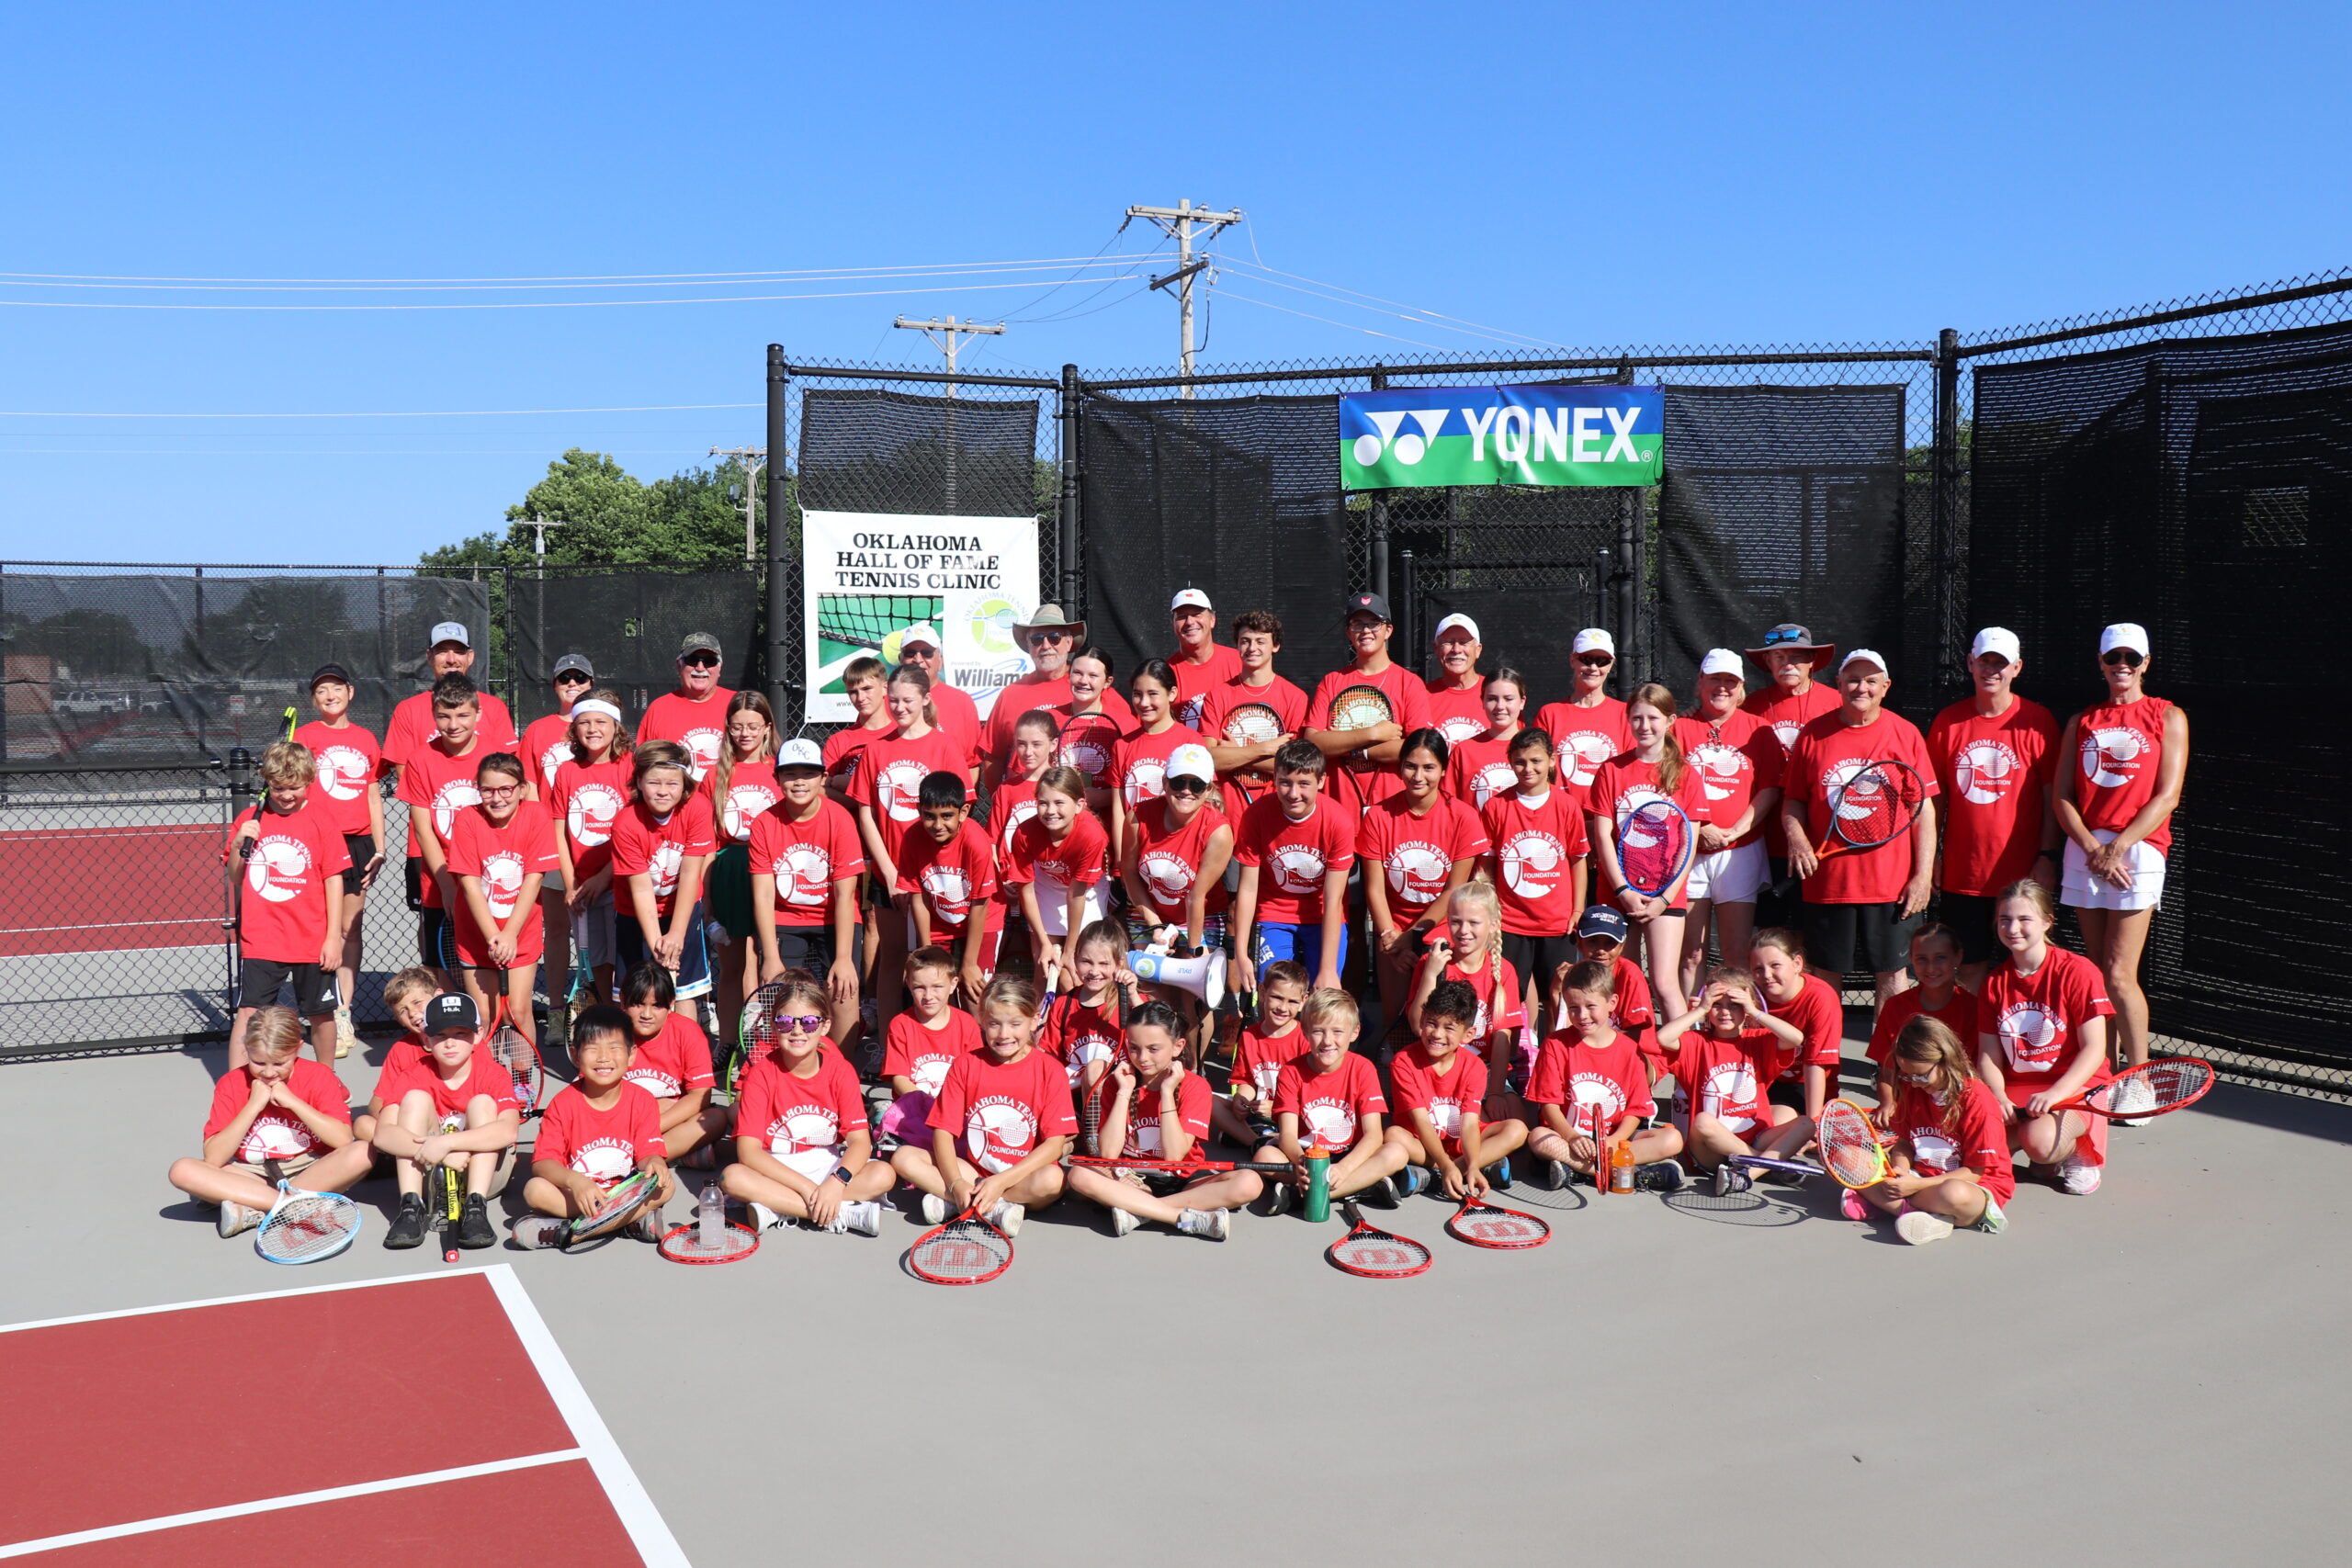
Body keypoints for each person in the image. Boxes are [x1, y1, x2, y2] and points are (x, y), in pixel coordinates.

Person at [2052, 621, 2188, 1081]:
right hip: (2086, 850)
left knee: (2118, 972)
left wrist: (2119, 847)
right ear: (2101, 663)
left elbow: (2167, 795)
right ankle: (2102, 1075)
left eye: (2132, 658)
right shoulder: (2081, 721)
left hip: (2139, 849)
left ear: (2146, 663)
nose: (2122, 666)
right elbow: (2062, 796)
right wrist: (2093, 848)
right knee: (2095, 976)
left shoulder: (2167, 715)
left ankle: (2140, 1080)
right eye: (2114, 658)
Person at [1781, 649, 1939, 1009]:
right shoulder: (1813, 734)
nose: (1861, 688)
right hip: (1827, 882)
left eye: (1871, 681)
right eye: (1853, 679)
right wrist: (1798, 840)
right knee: (1824, 976)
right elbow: (1792, 801)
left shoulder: (1906, 733)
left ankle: (1886, 1062)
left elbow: (1922, 809)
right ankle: (1825, 1061)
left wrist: (1923, 874)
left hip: (1891, 885)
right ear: (1838, 684)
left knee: (1893, 975)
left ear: (1885, 687)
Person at [1927, 627, 2063, 989]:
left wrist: (2048, 856)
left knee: (2026, 966)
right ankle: (1974, 1046)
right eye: (1984, 660)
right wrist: (1931, 858)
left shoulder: (2039, 722)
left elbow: (2052, 799)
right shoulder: (1947, 723)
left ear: (2016, 668)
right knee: (1969, 969)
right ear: (1970, 663)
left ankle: (2020, 1046)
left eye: (2000, 663)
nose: (1991, 670)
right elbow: (1933, 801)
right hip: (1962, 876)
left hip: (2022, 878)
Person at [1066, 998, 1261, 1240]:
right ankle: (1179, 1217)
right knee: (1078, 1175)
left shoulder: (1195, 1086)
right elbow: (1108, 1154)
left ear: (1178, 1047)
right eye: (1134, 1047)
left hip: (1182, 1179)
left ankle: (1140, 1211)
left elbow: (1174, 1156)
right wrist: (1124, 1092)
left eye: (1153, 1048)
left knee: (1250, 1182)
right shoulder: (1118, 1083)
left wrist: (1168, 1092)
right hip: (1130, 1178)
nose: (1142, 1057)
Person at [169, 1007, 372, 1236]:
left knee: (363, 1151)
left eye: (278, 1064)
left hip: (310, 1168)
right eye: (258, 1063)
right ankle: (290, 1205)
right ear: (246, 1049)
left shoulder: (319, 1075)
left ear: (297, 1049)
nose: (267, 1073)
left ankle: (254, 1208)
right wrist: (253, 1105)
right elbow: (214, 1158)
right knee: (182, 1170)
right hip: (252, 1174)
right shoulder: (231, 1083)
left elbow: (343, 1139)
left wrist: (293, 1102)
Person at [893, 974, 1071, 1234]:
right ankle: (987, 1206)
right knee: (904, 1157)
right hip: (972, 1172)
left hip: (1020, 1176)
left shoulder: (1050, 1070)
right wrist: (955, 1183)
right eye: (994, 1024)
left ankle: (964, 1205)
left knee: (1054, 1181)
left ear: (1034, 1021)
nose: (1004, 1034)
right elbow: (943, 1133)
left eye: (1015, 1024)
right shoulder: (966, 1064)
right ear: (982, 1022)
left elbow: (1055, 1144)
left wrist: (1001, 1182)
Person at [725, 975, 895, 1235]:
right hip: (776, 1167)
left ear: (825, 1026)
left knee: (884, 1174)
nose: (797, 1030)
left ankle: (779, 1207)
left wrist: (836, 1183)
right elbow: (749, 1153)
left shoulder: (841, 1071)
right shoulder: (761, 1074)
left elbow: (860, 1142)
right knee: (732, 1177)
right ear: (773, 1025)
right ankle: (844, 1213)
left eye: (809, 1022)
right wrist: (810, 1190)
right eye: (784, 1021)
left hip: (826, 1165)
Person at [1976, 879, 2115, 1195]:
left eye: (2025, 919)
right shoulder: (1993, 982)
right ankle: (2045, 1157)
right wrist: (1998, 1096)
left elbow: (2095, 1049)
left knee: (2040, 1144)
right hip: (2018, 1089)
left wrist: (2055, 1094)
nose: (2013, 928)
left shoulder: (2078, 971)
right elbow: (1988, 1054)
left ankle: (2082, 1151)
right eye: (2005, 919)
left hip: (2077, 1085)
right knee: (1975, 1141)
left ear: (2047, 921)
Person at [383, 625, 516, 943]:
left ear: (470, 657)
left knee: (491, 922)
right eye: (442, 650)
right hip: (430, 845)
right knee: (436, 926)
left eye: (458, 651)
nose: (451, 658)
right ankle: (438, 989)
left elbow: (509, 773)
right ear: (429, 657)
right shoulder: (408, 710)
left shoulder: (493, 708)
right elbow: (407, 773)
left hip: (490, 844)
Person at [221, 739, 350, 1067]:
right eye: (278, 788)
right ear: (267, 782)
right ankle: (236, 1085)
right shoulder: (251, 819)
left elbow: (334, 879)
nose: (287, 795)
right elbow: (236, 876)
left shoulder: (322, 820)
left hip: (312, 937)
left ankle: (326, 1078)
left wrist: (333, 937)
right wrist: (238, 842)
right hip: (263, 936)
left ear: (309, 782)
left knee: (320, 1013)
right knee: (250, 1011)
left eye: (294, 787)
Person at [853, 664, 968, 1026]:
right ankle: (889, 1046)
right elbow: (866, 812)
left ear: (925, 699)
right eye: (893, 700)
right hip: (890, 873)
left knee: (934, 963)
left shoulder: (945, 746)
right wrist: (888, 871)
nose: (899, 707)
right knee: (893, 958)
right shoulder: (875, 750)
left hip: (935, 874)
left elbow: (957, 815)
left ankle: (943, 1041)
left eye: (907, 700)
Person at [1589, 682, 1708, 1025]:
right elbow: (1602, 836)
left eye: (1652, 718)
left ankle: (1686, 1070)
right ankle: (1613, 1060)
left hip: (1665, 897)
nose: (1644, 726)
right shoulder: (1611, 771)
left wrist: (1664, 898)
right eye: (1637, 718)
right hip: (1617, 895)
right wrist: (1624, 891)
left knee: (1665, 983)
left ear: (1670, 720)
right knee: (1612, 983)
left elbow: (1689, 844)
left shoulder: (1686, 774)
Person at [1361, 728, 1487, 1043]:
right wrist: (1390, 940)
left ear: (1443, 770)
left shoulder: (1463, 817)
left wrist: (1410, 939)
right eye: (1410, 766)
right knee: (1397, 1027)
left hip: (1443, 929)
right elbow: (1375, 889)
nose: (1418, 776)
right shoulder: (1378, 815)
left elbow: (1453, 892)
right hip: (1391, 930)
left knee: (1437, 1023)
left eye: (1429, 767)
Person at [372, 990, 523, 1250]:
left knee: (482, 1103)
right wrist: (439, 1152)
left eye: (460, 1034)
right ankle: (411, 1206)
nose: (450, 1043)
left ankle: (475, 1208)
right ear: (427, 1040)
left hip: (487, 1176)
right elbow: (383, 1134)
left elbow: (508, 1131)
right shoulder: (413, 1073)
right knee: (415, 1099)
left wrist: (447, 1143)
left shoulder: (493, 1074)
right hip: (433, 1176)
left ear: (477, 1035)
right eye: (440, 1035)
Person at [516, 1002, 674, 1247]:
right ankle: (629, 1224)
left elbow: (647, 1152)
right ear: (576, 1055)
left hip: (624, 1194)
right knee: (534, 1190)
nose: (603, 1058)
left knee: (666, 1186)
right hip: (578, 1195)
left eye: (614, 1048)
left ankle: (569, 1233)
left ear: (631, 1055)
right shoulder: (563, 1104)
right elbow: (543, 1163)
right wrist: (575, 1182)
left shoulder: (642, 1100)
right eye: (592, 1049)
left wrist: (654, 1162)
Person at [1847, 1014, 2014, 1245]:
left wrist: (1915, 1186)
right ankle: (1920, 1215)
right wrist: (1900, 1170)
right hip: (1920, 1178)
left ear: (1946, 1060)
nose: (1914, 1082)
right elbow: (1904, 1143)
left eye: (1921, 1075)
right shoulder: (1911, 1089)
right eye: (1906, 1074)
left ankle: (1890, 1205)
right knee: (1848, 1157)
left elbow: (1975, 1171)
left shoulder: (1979, 1100)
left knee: (1953, 1193)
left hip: (1974, 1186)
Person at [1673, 649, 1783, 996]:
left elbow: (1769, 789)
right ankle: (1689, 1028)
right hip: (1689, 853)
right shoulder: (1678, 728)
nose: (1722, 688)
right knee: (1691, 952)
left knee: (1736, 953)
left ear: (1741, 689)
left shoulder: (1759, 730)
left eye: (1730, 682)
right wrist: (1700, 827)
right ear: (1699, 684)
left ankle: (1736, 1025)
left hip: (1740, 852)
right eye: (1714, 679)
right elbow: (1665, 786)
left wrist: (1735, 830)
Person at [1521, 960, 1686, 1190]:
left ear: (1612, 1003)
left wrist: (1612, 1141)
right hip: (1570, 1138)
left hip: (1615, 1141)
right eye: (1573, 1008)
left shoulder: (1630, 1050)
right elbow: (1549, 1105)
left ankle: (1579, 1171)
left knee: (1673, 1139)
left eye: (1591, 1006)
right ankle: (1627, 1173)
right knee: (1538, 1138)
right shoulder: (1555, 1045)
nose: (1582, 1015)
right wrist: (1572, 1138)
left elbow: (1636, 1110)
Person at [748, 738, 865, 1047]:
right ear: (777, 779)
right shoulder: (764, 823)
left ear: (824, 778)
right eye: (790, 774)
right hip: (785, 917)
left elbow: (844, 895)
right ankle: (785, 1069)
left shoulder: (839, 819)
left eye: (809, 773)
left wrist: (843, 958)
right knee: (782, 993)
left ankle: (842, 1072)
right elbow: (762, 895)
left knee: (844, 987)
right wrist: (770, 956)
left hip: (832, 917)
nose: (799, 781)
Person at [293, 662, 384, 1059]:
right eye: (321, 692)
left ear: (351, 692)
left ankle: (342, 1011)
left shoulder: (366, 739)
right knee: (317, 927)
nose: (329, 696)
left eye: (336, 689)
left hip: (359, 843)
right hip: (317, 842)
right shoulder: (305, 736)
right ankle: (320, 1008)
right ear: (314, 700)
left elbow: (372, 796)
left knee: (349, 927)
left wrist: (379, 848)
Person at [1481, 727, 1588, 1039]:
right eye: (1520, 761)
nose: (1528, 769)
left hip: (1557, 923)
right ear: (1510, 763)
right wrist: (1492, 912)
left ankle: (1557, 1057)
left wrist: (1577, 909)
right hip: (1510, 923)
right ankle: (1515, 1061)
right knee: (1508, 1001)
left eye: (1536, 761)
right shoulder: (1496, 806)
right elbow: (1487, 866)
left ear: (1552, 762)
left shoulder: (1566, 805)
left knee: (1559, 999)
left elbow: (1577, 860)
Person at [445, 750, 558, 1044]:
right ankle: (487, 1084)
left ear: (522, 789)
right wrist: (494, 935)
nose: (497, 798)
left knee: (517, 1013)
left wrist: (509, 934)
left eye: (506, 789)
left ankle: (521, 1084)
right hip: (476, 936)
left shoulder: (536, 815)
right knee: (485, 1015)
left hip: (521, 933)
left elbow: (534, 880)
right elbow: (469, 885)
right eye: (487, 790)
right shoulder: (467, 819)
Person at [1264, 987, 1408, 1214]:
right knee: (1265, 1156)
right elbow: (1288, 1136)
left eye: (1338, 1032)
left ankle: (1303, 1195)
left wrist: (1345, 1167)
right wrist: (1303, 1163)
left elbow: (1373, 1135)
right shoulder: (1291, 1071)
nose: (1327, 1041)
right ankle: (1363, 1186)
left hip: (1350, 1154)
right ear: (1305, 1032)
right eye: (1318, 1031)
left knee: (1397, 1153)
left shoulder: (1363, 1069)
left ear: (1355, 1032)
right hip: (1307, 1155)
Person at [1657, 969, 1813, 1177]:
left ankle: (1749, 1174)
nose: (1724, 1012)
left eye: (1734, 1005)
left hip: (1754, 1134)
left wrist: (1754, 1010)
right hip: (1711, 1149)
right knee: (1703, 1121)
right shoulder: (1697, 1042)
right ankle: (1768, 1164)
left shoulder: (1756, 1040)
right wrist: (1699, 1010)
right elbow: (1663, 1038)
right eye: (1716, 1005)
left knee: (1805, 1122)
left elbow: (1796, 1038)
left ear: (1746, 1010)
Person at [1383, 979, 1528, 1201]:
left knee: (1517, 1129)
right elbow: (1421, 1122)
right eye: (1431, 1023)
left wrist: (1464, 1163)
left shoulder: (1475, 1066)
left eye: (1449, 1027)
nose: (1437, 1034)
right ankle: (1469, 1168)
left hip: (1461, 1143)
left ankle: (1451, 1173)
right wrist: (1444, 1162)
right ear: (1422, 1020)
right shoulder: (1403, 1062)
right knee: (1393, 1135)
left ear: (1468, 1034)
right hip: (1422, 1143)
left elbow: (1469, 1123)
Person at [1230, 740, 1355, 997]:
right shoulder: (1256, 815)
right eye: (1285, 782)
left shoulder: (1338, 821)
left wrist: (1328, 968)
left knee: (1321, 997)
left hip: (1322, 915)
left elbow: (1333, 900)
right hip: (1274, 912)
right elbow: (1248, 889)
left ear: (1321, 781)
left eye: (1304, 784)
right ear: (1274, 779)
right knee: (1276, 994)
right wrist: (1241, 953)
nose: (1293, 793)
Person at [1743, 623, 1842, 927]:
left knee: (1811, 932)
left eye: (1797, 656)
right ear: (1768, 663)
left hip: (1817, 842)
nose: (1788, 664)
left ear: (1812, 662)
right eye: (1779, 657)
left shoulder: (1836, 703)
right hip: (1762, 838)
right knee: (1767, 932)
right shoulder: (1751, 705)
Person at [1301, 591, 1432, 815]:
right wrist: (1372, 734)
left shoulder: (1409, 683)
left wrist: (1347, 746)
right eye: (1358, 624)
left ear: (1388, 630)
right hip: (1339, 809)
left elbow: (1417, 750)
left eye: (1374, 624)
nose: (1365, 631)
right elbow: (1313, 744)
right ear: (1348, 632)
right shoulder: (1332, 682)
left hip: (1393, 811)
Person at [703, 691, 782, 1055]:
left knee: (774, 962)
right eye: (737, 727)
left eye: (752, 726)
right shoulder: (715, 775)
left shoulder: (781, 770)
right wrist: (707, 903)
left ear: (767, 727)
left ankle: (770, 1038)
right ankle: (729, 1042)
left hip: (776, 871)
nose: (744, 734)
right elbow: (705, 843)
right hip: (732, 872)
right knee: (731, 967)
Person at [611, 740, 717, 1013]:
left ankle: (687, 1054)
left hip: (682, 907)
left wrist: (677, 934)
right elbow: (641, 889)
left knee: (683, 993)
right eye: (654, 783)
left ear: (685, 785)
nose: (662, 791)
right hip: (637, 914)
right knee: (636, 996)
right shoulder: (626, 823)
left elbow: (691, 872)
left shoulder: (697, 808)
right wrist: (658, 945)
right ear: (639, 782)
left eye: (672, 784)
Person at [521, 652, 595, 1034]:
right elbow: (531, 787)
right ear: (554, 685)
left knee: (595, 930)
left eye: (580, 678)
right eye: (565, 678)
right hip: (552, 843)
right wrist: (538, 835)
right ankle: (554, 1012)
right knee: (556, 929)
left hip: (594, 845)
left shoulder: (602, 726)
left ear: (590, 685)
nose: (572, 684)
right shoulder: (538, 730)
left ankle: (593, 1006)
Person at [396, 677, 489, 979]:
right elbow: (423, 830)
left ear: (478, 714)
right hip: (439, 879)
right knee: (441, 965)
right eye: (444, 716)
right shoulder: (421, 760)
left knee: (488, 960)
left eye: (462, 715)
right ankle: (449, 1024)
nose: (453, 724)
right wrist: (447, 885)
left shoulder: (495, 756)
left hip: (489, 875)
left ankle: (495, 1024)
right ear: (433, 716)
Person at [548, 690, 632, 1010]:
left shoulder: (631, 767)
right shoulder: (567, 772)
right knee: (598, 960)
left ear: (616, 727)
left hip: (623, 883)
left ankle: (628, 1020)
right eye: (584, 722)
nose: (593, 729)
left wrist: (603, 877)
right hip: (583, 888)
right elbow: (560, 830)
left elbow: (637, 834)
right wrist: (571, 884)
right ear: (574, 728)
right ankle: (609, 1020)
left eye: (601, 721)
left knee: (624, 960)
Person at [983, 605, 1126, 787]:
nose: (1045, 646)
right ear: (1028, 645)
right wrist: (1004, 802)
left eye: (1054, 638)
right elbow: (994, 756)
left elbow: (1129, 746)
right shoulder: (1010, 694)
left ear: (1068, 642)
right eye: (1036, 639)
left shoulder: (1093, 689)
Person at [1119, 742, 1234, 963]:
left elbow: (1196, 897)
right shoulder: (1137, 818)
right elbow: (1129, 873)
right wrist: (1155, 925)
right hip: (1148, 909)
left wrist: (1193, 949)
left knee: (1188, 981)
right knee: (1149, 977)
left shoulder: (1218, 831)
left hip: (1202, 915)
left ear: (1209, 789)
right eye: (1178, 781)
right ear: (1165, 783)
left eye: (1197, 785)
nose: (1186, 791)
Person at [899, 771, 1001, 1003]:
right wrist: (927, 953)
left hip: (981, 921)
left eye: (946, 816)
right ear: (919, 810)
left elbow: (980, 902)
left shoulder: (976, 841)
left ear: (963, 812)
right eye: (929, 816)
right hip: (938, 921)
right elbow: (919, 897)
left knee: (974, 995)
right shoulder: (912, 838)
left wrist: (969, 962)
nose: (937, 825)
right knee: (933, 992)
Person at [1004, 767, 1113, 987]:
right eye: (1043, 803)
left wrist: (1070, 950)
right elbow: (1026, 890)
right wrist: (1044, 942)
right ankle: (1040, 1018)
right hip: (1046, 884)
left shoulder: (1092, 835)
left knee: (1075, 973)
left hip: (1085, 892)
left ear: (1079, 805)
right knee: (1042, 969)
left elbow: (1076, 894)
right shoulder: (1024, 833)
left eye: (1059, 803)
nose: (1050, 811)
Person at [1197, 609, 1308, 812]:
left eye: (1260, 641)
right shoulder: (1216, 696)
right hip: (1228, 813)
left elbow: (1294, 768)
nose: (1252, 648)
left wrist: (1235, 754)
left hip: (1277, 811)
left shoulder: (1295, 697)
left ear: (1275, 646)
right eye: (1245, 641)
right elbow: (1208, 760)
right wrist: (1265, 749)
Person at [1406, 879, 1524, 1068]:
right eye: (1455, 922)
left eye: (1473, 923)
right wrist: (1430, 974)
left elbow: (1503, 1039)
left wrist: (1496, 1093)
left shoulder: (1504, 970)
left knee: (1511, 1100)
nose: (1463, 931)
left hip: (1483, 1066)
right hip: (1437, 1064)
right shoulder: (1433, 962)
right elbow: (1417, 1026)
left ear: (1493, 925)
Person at [620, 962, 729, 1165]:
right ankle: (671, 1154)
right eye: (638, 1004)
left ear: (671, 1003)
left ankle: (635, 1159)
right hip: (623, 1121)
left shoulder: (687, 1032)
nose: (647, 1014)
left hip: (669, 1119)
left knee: (716, 1118)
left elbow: (700, 1097)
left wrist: (652, 1126)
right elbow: (594, 1095)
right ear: (623, 1001)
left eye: (657, 1005)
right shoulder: (611, 1033)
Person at [1866, 922, 1978, 1115]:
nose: (1931, 967)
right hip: (1907, 1106)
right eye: (1922, 959)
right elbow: (1887, 1072)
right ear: (1911, 960)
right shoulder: (1896, 1006)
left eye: (1941, 958)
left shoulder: (1973, 1008)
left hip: (1955, 1103)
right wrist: (1887, 1103)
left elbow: (1973, 1075)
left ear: (1958, 957)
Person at [877, 947, 983, 1145]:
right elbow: (899, 1079)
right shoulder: (901, 1024)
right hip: (914, 1111)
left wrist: (948, 1110)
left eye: (937, 987)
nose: (928, 995)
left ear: (953, 985)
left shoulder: (966, 1024)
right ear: (908, 985)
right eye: (919, 987)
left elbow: (975, 1078)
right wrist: (927, 1104)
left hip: (956, 1113)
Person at [1109, 659, 1206, 859]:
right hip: (1134, 856)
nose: (1144, 703)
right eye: (1137, 694)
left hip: (1177, 858)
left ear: (1172, 694)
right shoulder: (1122, 745)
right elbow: (1119, 809)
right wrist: (1122, 861)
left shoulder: (1190, 741)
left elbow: (1201, 804)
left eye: (1153, 694)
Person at [1749, 927, 1845, 1124]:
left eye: (1775, 965)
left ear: (1797, 963)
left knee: (1770, 1125)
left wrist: (1813, 1123)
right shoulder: (1749, 996)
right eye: (1758, 969)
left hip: (1803, 1085)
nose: (1766, 975)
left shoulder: (1820, 997)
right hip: (1759, 1081)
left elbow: (1816, 1062)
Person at [1039, 919, 1136, 1113]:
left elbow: (1155, 1034)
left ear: (1118, 964)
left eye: (1103, 963)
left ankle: (1097, 1137)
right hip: (1073, 1098)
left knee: (1095, 1068)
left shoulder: (1129, 1000)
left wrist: (1132, 994)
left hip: (1122, 1096)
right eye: (1086, 962)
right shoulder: (1063, 1004)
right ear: (1075, 960)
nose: (1094, 971)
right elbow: (1049, 1058)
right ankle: (1083, 1135)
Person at [1213, 959, 1308, 1149]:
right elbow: (1247, 1079)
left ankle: (1257, 1139)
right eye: (1277, 997)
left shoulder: (1305, 1038)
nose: (1283, 1007)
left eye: (1292, 1001)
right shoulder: (1249, 1036)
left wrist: (1277, 1109)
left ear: (1303, 1002)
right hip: (1259, 1111)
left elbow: (1313, 1092)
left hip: (1296, 1116)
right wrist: (1243, 1099)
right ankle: (1257, 1142)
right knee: (1209, 1101)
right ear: (1263, 993)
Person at [1533, 628, 1632, 792]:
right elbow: (1539, 767)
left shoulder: (1626, 714)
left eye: (1602, 661)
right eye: (1586, 659)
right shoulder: (1550, 714)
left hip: (1609, 815)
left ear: (1611, 665)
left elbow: (1631, 769)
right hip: (1563, 814)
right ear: (1573, 660)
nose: (1593, 667)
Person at [1566, 906, 1659, 1077]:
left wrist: (1593, 1051)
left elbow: (1634, 1035)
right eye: (1593, 941)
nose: (1601, 950)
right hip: (1587, 1050)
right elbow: (1557, 1029)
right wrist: (1556, 991)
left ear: (1622, 946)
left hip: (1637, 1053)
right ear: (1579, 943)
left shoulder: (1630, 974)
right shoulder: (1573, 975)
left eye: (1610, 943)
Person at [353, 967, 439, 1146]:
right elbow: (376, 1106)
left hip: (455, 1122)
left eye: (417, 1002)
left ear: (437, 996)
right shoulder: (402, 1049)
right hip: (416, 1126)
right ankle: (424, 1151)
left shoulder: (461, 1037)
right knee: (363, 1125)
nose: (413, 1013)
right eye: (402, 1010)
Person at [635, 631, 735, 782]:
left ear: (719, 668)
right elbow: (644, 764)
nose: (700, 668)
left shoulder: (738, 704)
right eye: (692, 660)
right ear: (679, 664)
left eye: (709, 661)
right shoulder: (659, 709)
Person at [895, 623, 983, 784]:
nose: (918, 659)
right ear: (901, 659)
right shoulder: (885, 701)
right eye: (910, 653)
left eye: (927, 653)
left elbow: (971, 765)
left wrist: (961, 808)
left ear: (940, 661)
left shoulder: (962, 702)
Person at [1053, 646, 1127, 815]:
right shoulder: (1049, 720)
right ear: (1069, 675)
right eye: (1077, 673)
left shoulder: (1125, 723)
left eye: (1093, 675)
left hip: (1108, 825)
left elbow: (1134, 784)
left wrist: (1105, 797)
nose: (1083, 681)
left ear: (1107, 682)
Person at [1444, 666, 1529, 809]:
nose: (1500, 706)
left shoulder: (1536, 749)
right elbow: (1449, 805)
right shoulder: (1464, 751)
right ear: (1482, 701)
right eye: (1492, 699)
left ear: (1522, 702)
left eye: (1508, 699)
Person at [822, 655, 895, 807]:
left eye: (867, 689)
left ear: (885, 688)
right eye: (852, 692)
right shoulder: (838, 741)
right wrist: (865, 800)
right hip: (851, 827)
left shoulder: (901, 733)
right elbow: (820, 790)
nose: (860, 698)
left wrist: (848, 784)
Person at [1165, 588, 1242, 733]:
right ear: (1173, 624)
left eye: (1197, 614)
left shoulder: (1240, 662)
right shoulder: (1165, 674)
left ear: (1212, 620)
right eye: (1181, 617)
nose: (1189, 622)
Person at [1422, 614, 1490, 744]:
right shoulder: (1421, 696)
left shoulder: (1498, 695)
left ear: (1478, 650)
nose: (1456, 649)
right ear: (1436, 649)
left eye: (1464, 642)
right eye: (1449, 642)